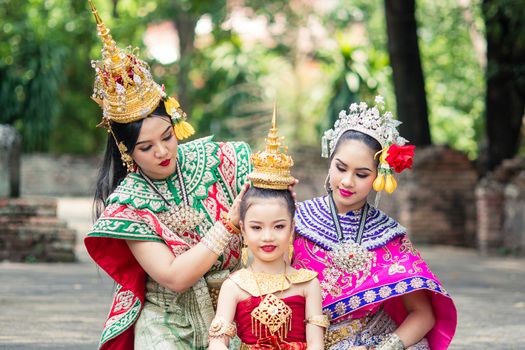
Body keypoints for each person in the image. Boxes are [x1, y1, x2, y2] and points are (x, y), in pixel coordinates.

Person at [84, 2, 252, 349]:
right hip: (168, 319)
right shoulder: (127, 206)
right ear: (126, 151)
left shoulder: (220, 159)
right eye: (146, 147)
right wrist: (229, 223)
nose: (162, 152)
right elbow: (174, 277)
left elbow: (270, 205)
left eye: (167, 137)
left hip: (236, 308)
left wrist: (276, 195)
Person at [292, 97, 457, 350]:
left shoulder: (389, 236)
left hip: (374, 340)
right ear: (330, 160)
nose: (347, 182)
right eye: (340, 168)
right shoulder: (296, 220)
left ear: (379, 176)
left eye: (361, 174)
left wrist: (383, 348)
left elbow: (423, 315)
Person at [209, 113, 327, 350]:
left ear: (292, 228)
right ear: (242, 229)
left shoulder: (307, 284)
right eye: (256, 227)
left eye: (279, 226)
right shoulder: (233, 285)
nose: (267, 236)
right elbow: (217, 343)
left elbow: (316, 345)